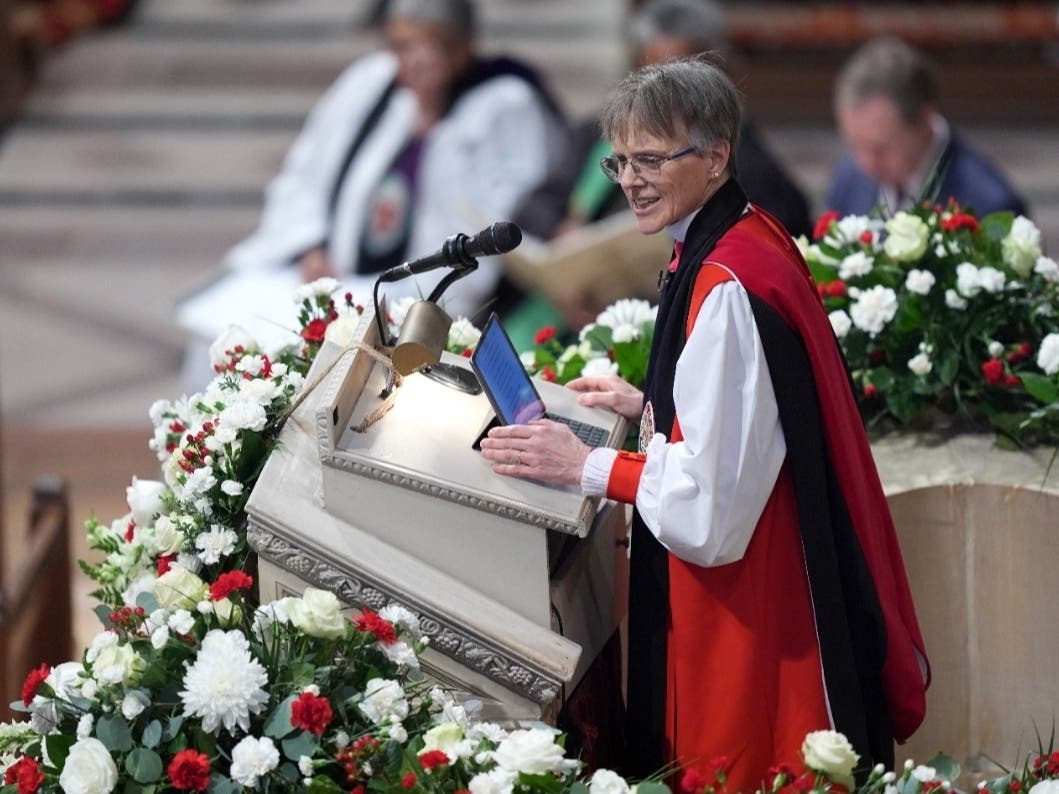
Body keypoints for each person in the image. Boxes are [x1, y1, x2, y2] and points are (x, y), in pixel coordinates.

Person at [480, 57, 930, 788]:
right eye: (620, 160)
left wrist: (583, 465)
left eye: (652, 158)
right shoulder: (746, 237)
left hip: (751, 618)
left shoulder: (726, 284)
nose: (629, 180)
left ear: (717, 156)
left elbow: (708, 514)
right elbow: (750, 409)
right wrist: (650, 400)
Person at [178, 0, 567, 388]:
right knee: (226, 337)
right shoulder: (373, 80)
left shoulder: (505, 106)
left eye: (416, 47)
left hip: (403, 294)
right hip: (329, 273)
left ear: (459, 47)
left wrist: (432, 116)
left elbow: (482, 225)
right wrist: (311, 246)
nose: (402, 62)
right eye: (396, 45)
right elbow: (305, 172)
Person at [509, 0, 810, 335]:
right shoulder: (603, 134)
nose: (663, 96)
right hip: (568, 311)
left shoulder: (746, 167)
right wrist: (562, 240)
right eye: (653, 74)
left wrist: (629, 310)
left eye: (680, 81)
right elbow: (533, 207)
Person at [827, 36, 1027, 218]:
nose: (866, 164)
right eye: (855, 145)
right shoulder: (848, 180)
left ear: (925, 119)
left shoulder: (988, 203)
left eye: (881, 149)